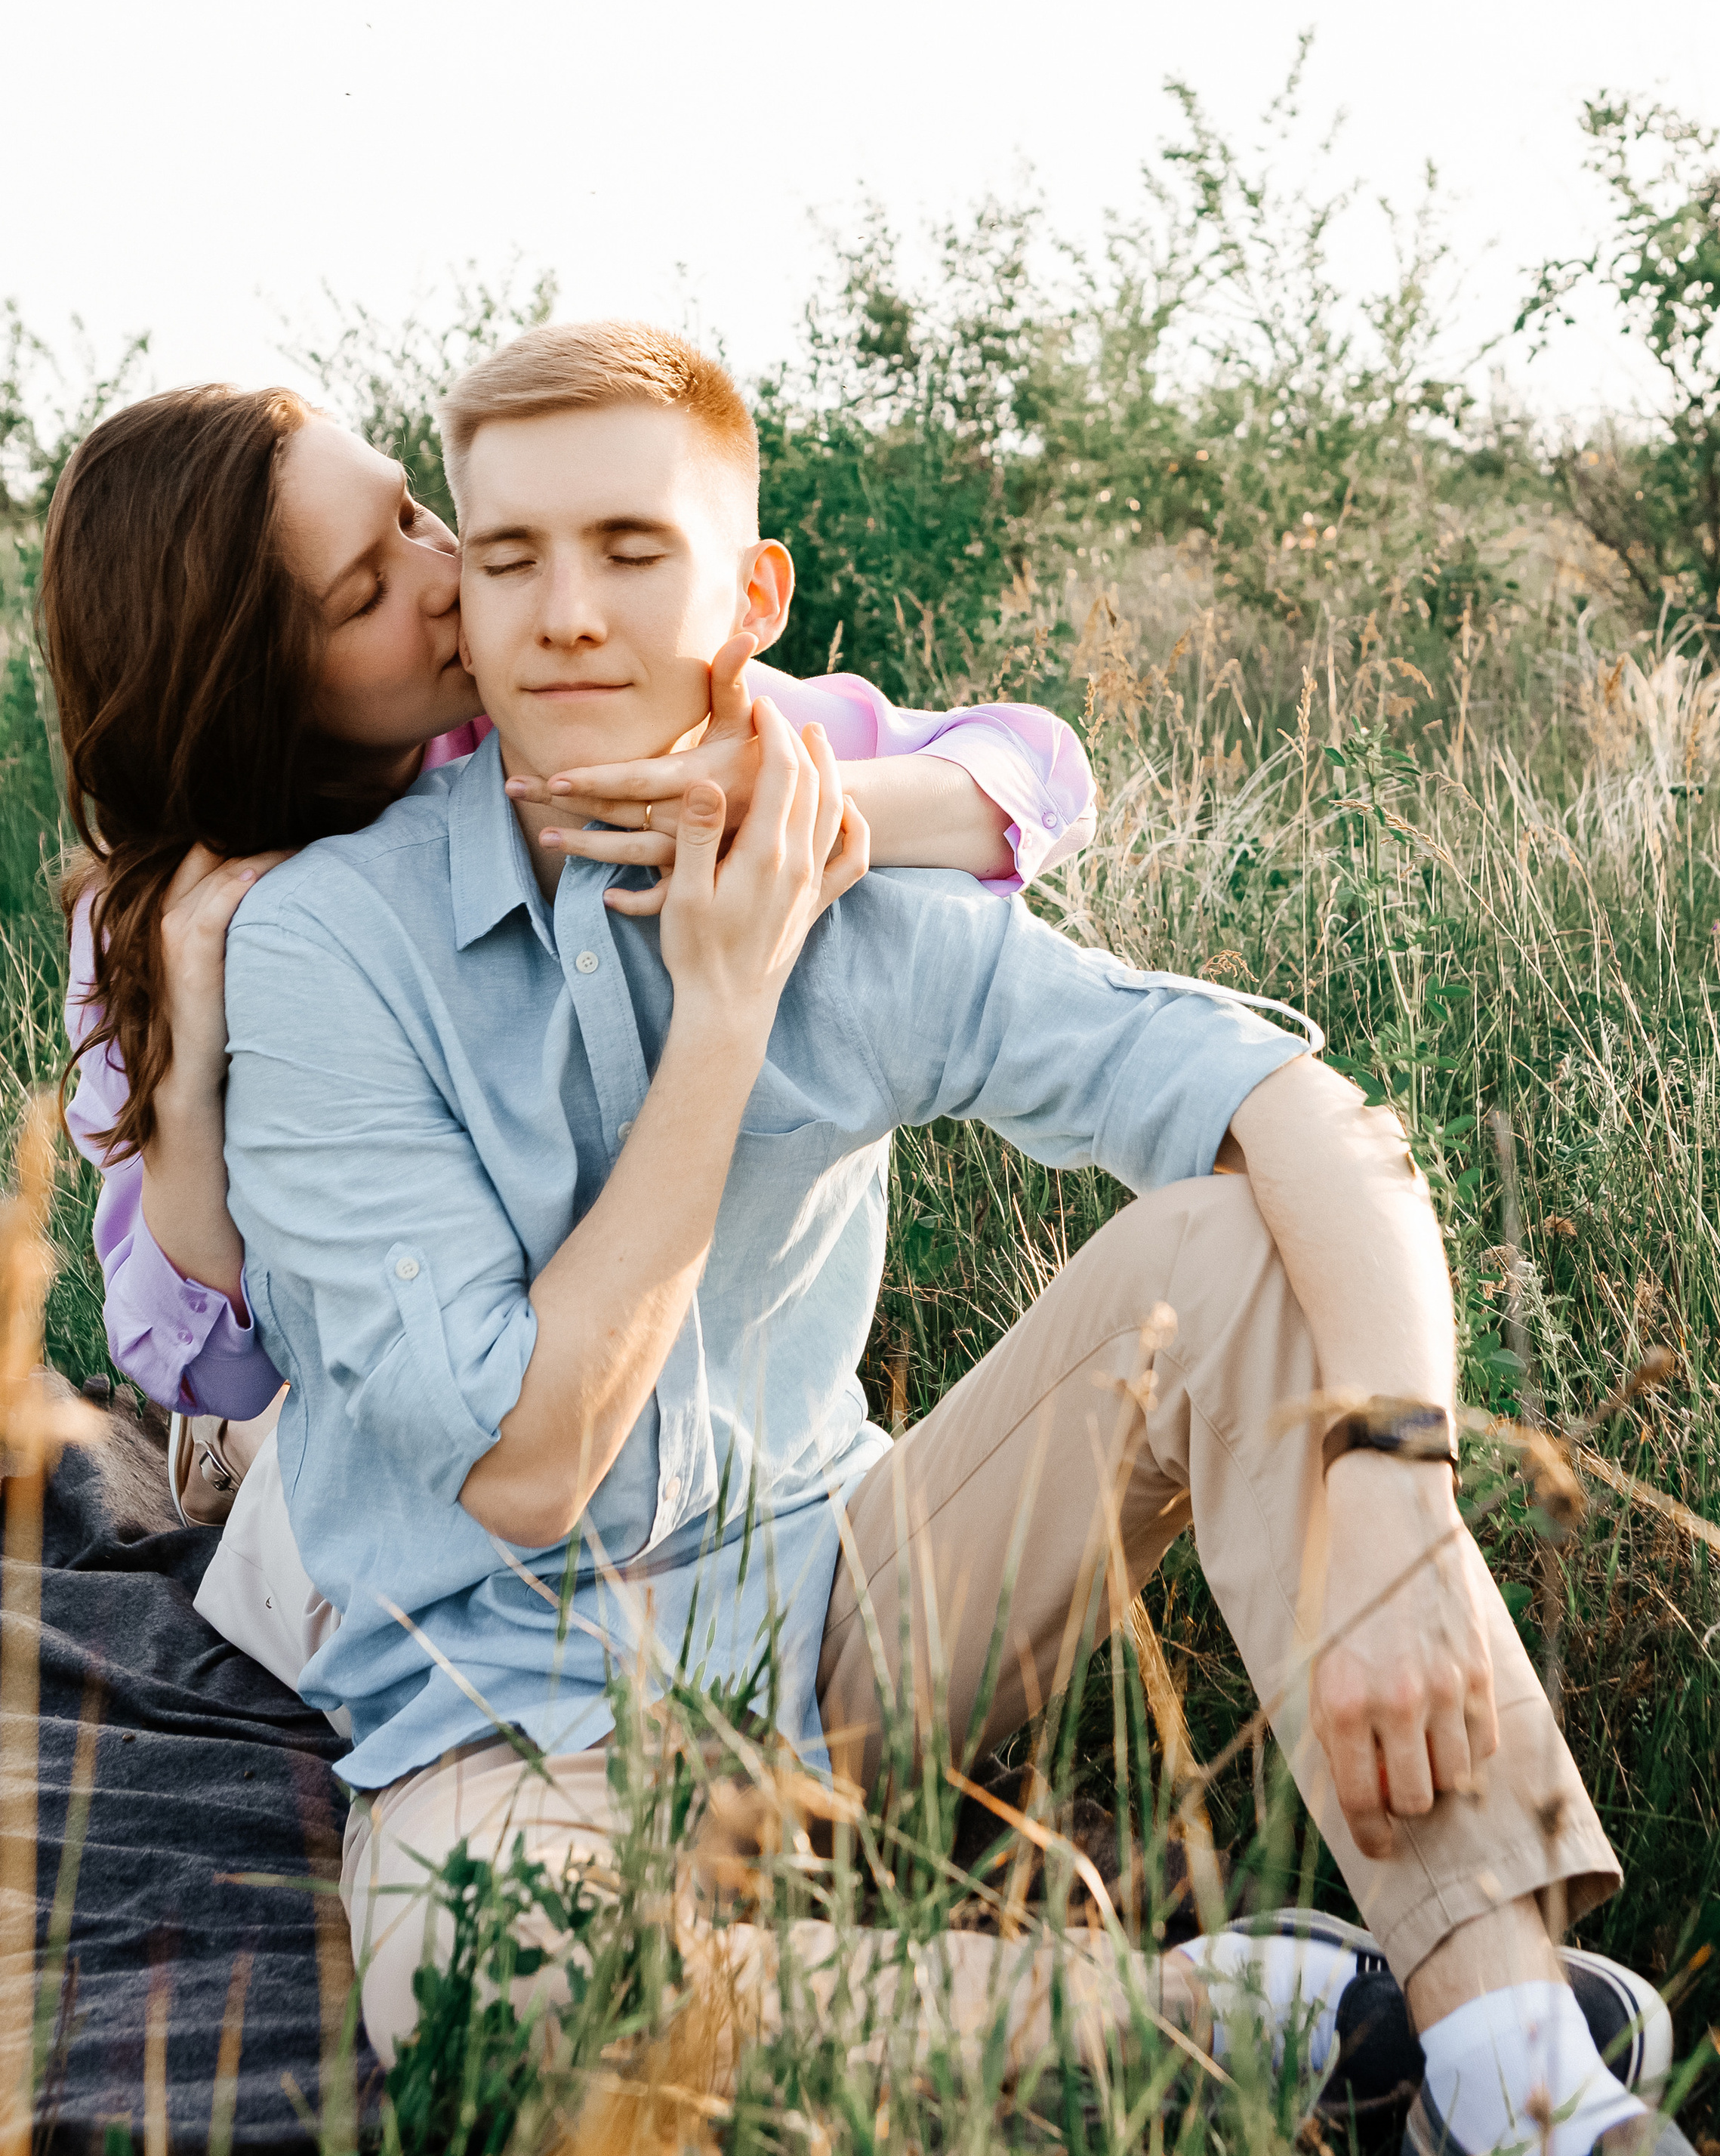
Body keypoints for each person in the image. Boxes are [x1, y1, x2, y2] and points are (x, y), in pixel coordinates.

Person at [187, 327, 1720, 2156]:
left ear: (747, 595)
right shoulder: (329, 948)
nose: (566, 612)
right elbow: (525, 1458)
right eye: (506, 558)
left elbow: (1294, 1110)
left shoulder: (856, 890)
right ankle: (1281, 2022)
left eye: (630, 549)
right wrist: (721, 1015)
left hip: (843, 1615)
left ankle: (1530, 2092)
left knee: (1233, 1244)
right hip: (502, 1712)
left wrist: (1393, 1491)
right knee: (492, 2000)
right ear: (466, 605)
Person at [42, 378, 1096, 1546]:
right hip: (351, 1411)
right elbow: (209, 1373)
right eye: (368, 591)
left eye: (412, 513)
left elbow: (1040, 774)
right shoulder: (169, 920)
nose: (448, 572)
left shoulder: (556, 713)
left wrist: (785, 802)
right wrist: (185, 1091)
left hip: (611, 1373)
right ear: (260, 682)